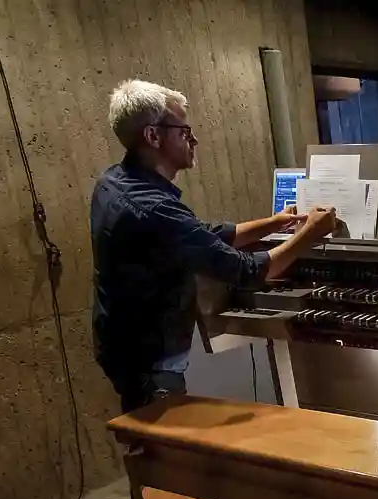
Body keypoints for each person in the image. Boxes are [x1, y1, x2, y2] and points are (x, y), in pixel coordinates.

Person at [90, 79, 336, 414]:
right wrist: (309, 235)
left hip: (124, 349)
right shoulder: (153, 208)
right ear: (153, 136)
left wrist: (276, 222)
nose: (193, 140)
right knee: (166, 449)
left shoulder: (114, 182)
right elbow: (248, 272)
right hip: (150, 364)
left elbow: (202, 234)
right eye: (184, 131)